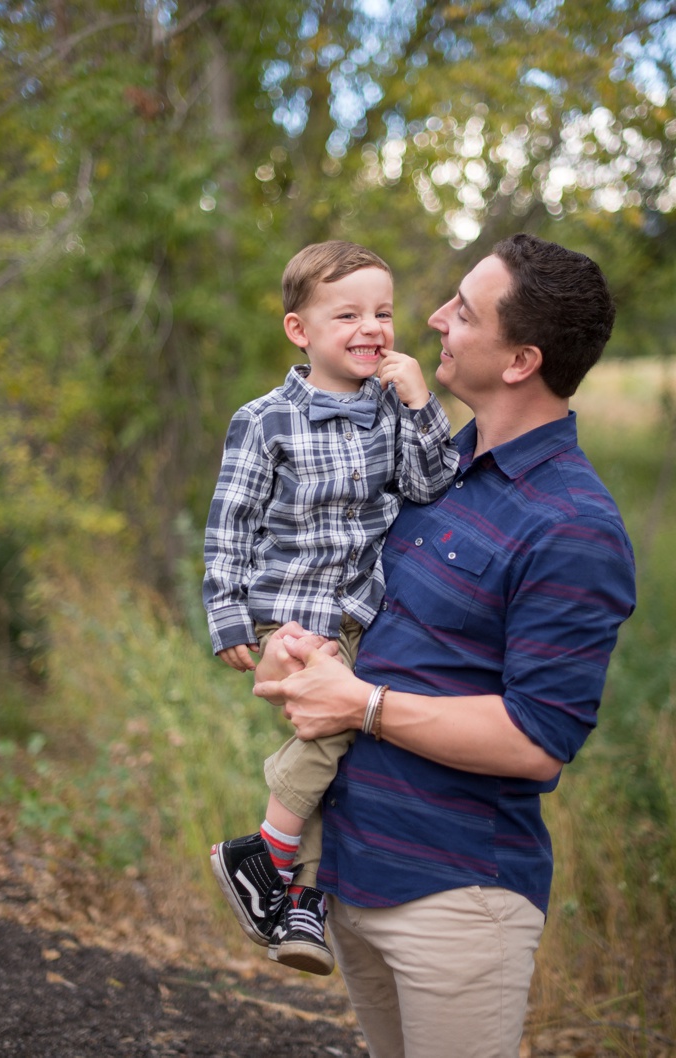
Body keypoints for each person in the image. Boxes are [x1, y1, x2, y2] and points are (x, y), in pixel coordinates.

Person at [252, 233, 637, 1056]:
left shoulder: (573, 525)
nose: (431, 320)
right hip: (352, 875)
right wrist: (302, 656)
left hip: (457, 901)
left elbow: (538, 742)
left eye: (463, 311)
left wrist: (363, 704)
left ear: (520, 360)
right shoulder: (431, 462)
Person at [203, 241, 459, 974]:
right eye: (346, 313)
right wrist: (227, 615)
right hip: (292, 610)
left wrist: (420, 402)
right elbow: (232, 522)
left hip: (363, 609)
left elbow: (430, 485)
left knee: (349, 754)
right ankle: (266, 855)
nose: (371, 327)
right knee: (331, 733)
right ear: (300, 331)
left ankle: (301, 907)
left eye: (382, 311)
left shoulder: (390, 409)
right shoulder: (265, 420)